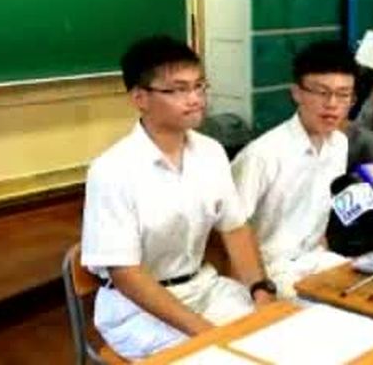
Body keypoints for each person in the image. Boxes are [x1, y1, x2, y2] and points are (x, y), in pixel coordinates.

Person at [80, 35, 276, 361]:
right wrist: (207, 332)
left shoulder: (211, 152)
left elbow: (235, 229)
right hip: (138, 310)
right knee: (220, 357)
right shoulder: (112, 170)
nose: (195, 99)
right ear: (140, 98)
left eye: (199, 86)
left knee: (275, 336)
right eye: (178, 90)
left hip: (204, 289)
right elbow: (126, 275)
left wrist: (260, 290)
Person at [231, 40, 357, 297]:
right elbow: (228, 233)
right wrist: (258, 289)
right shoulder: (263, 154)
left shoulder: (339, 144)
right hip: (269, 270)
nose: (332, 104)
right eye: (321, 92)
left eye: (343, 94)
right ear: (297, 93)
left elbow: (318, 221)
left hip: (315, 259)